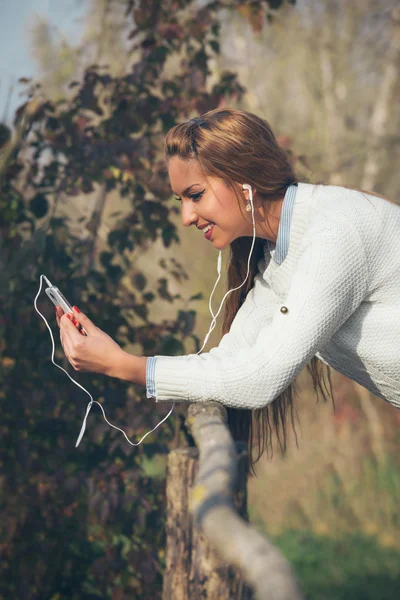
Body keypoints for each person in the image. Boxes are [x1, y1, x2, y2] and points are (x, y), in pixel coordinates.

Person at [56, 108, 400, 474]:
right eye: (181, 201)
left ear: (243, 181)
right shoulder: (279, 256)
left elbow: (260, 377)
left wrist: (122, 365)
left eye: (196, 194)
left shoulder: (333, 235)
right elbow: (235, 360)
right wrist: (116, 357)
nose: (186, 217)